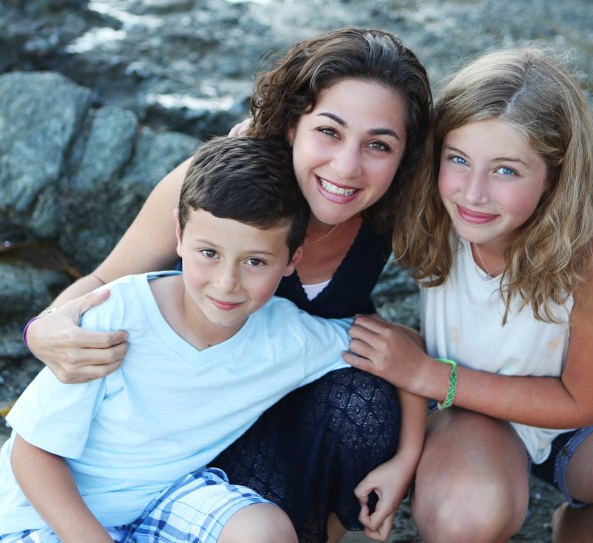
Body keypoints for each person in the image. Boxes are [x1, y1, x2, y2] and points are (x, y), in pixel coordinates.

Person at [21, 27, 433, 541]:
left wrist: (412, 450)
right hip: (191, 419)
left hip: (302, 375)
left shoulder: (393, 202)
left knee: (365, 401)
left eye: (378, 144)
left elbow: (401, 344)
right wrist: (41, 331)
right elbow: (106, 280)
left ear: (405, 154)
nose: (347, 166)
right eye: (329, 130)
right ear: (291, 125)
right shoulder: (223, 191)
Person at [346, 48, 593, 542]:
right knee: (465, 517)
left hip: (577, 412)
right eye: (459, 160)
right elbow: (331, 182)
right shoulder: (424, 203)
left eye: (506, 170)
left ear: (555, 175)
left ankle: (572, 529)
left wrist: (426, 374)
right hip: (471, 413)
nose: (472, 194)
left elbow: (582, 401)